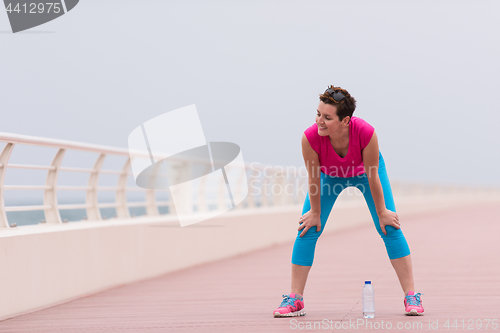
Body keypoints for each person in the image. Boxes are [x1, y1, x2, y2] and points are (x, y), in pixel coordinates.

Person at [273, 85, 424, 318]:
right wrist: (314, 212)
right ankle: (295, 299)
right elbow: (313, 179)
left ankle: (411, 296)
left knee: (390, 227)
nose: (319, 121)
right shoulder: (310, 138)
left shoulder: (366, 132)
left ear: (345, 120)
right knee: (307, 228)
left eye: (327, 117)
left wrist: (382, 211)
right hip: (329, 176)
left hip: (365, 174)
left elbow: (373, 175)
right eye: (318, 114)